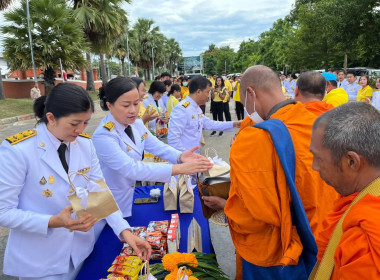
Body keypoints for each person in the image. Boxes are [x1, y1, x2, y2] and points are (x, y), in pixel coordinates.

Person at [0, 83, 151, 280]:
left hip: (81, 251)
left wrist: (124, 230)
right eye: (74, 123)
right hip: (42, 261)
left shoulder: (85, 144)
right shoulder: (19, 151)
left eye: (86, 123)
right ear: (51, 118)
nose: (80, 130)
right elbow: (4, 212)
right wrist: (54, 222)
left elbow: (99, 192)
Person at [224, 65, 338, 278]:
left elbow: (252, 214)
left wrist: (225, 206)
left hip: (282, 253)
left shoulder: (255, 138)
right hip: (328, 238)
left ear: (251, 93)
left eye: (243, 103)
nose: (247, 110)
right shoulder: (319, 121)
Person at [92, 77, 213, 218]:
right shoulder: (103, 135)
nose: (133, 110)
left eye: (136, 104)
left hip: (131, 197)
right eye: (126, 105)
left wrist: (180, 156)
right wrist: (179, 168)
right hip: (112, 203)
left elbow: (158, 146)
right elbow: (130, 168)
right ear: (110, 105)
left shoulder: (135, 124)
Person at [310, 102, 380, 280]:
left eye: (318, 158)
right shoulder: (361, 194)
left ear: (352, 161)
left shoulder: (363, 243)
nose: (314, 167)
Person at [168, 76, 241, 154]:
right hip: (184, 160)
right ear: (199, 92)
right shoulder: (182, 109)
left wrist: (234, 124)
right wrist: (187, 157)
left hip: (194, 157)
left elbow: (210, 124)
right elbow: (173, 140)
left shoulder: (196, 108)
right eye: (207, 92)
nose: (208, 96)